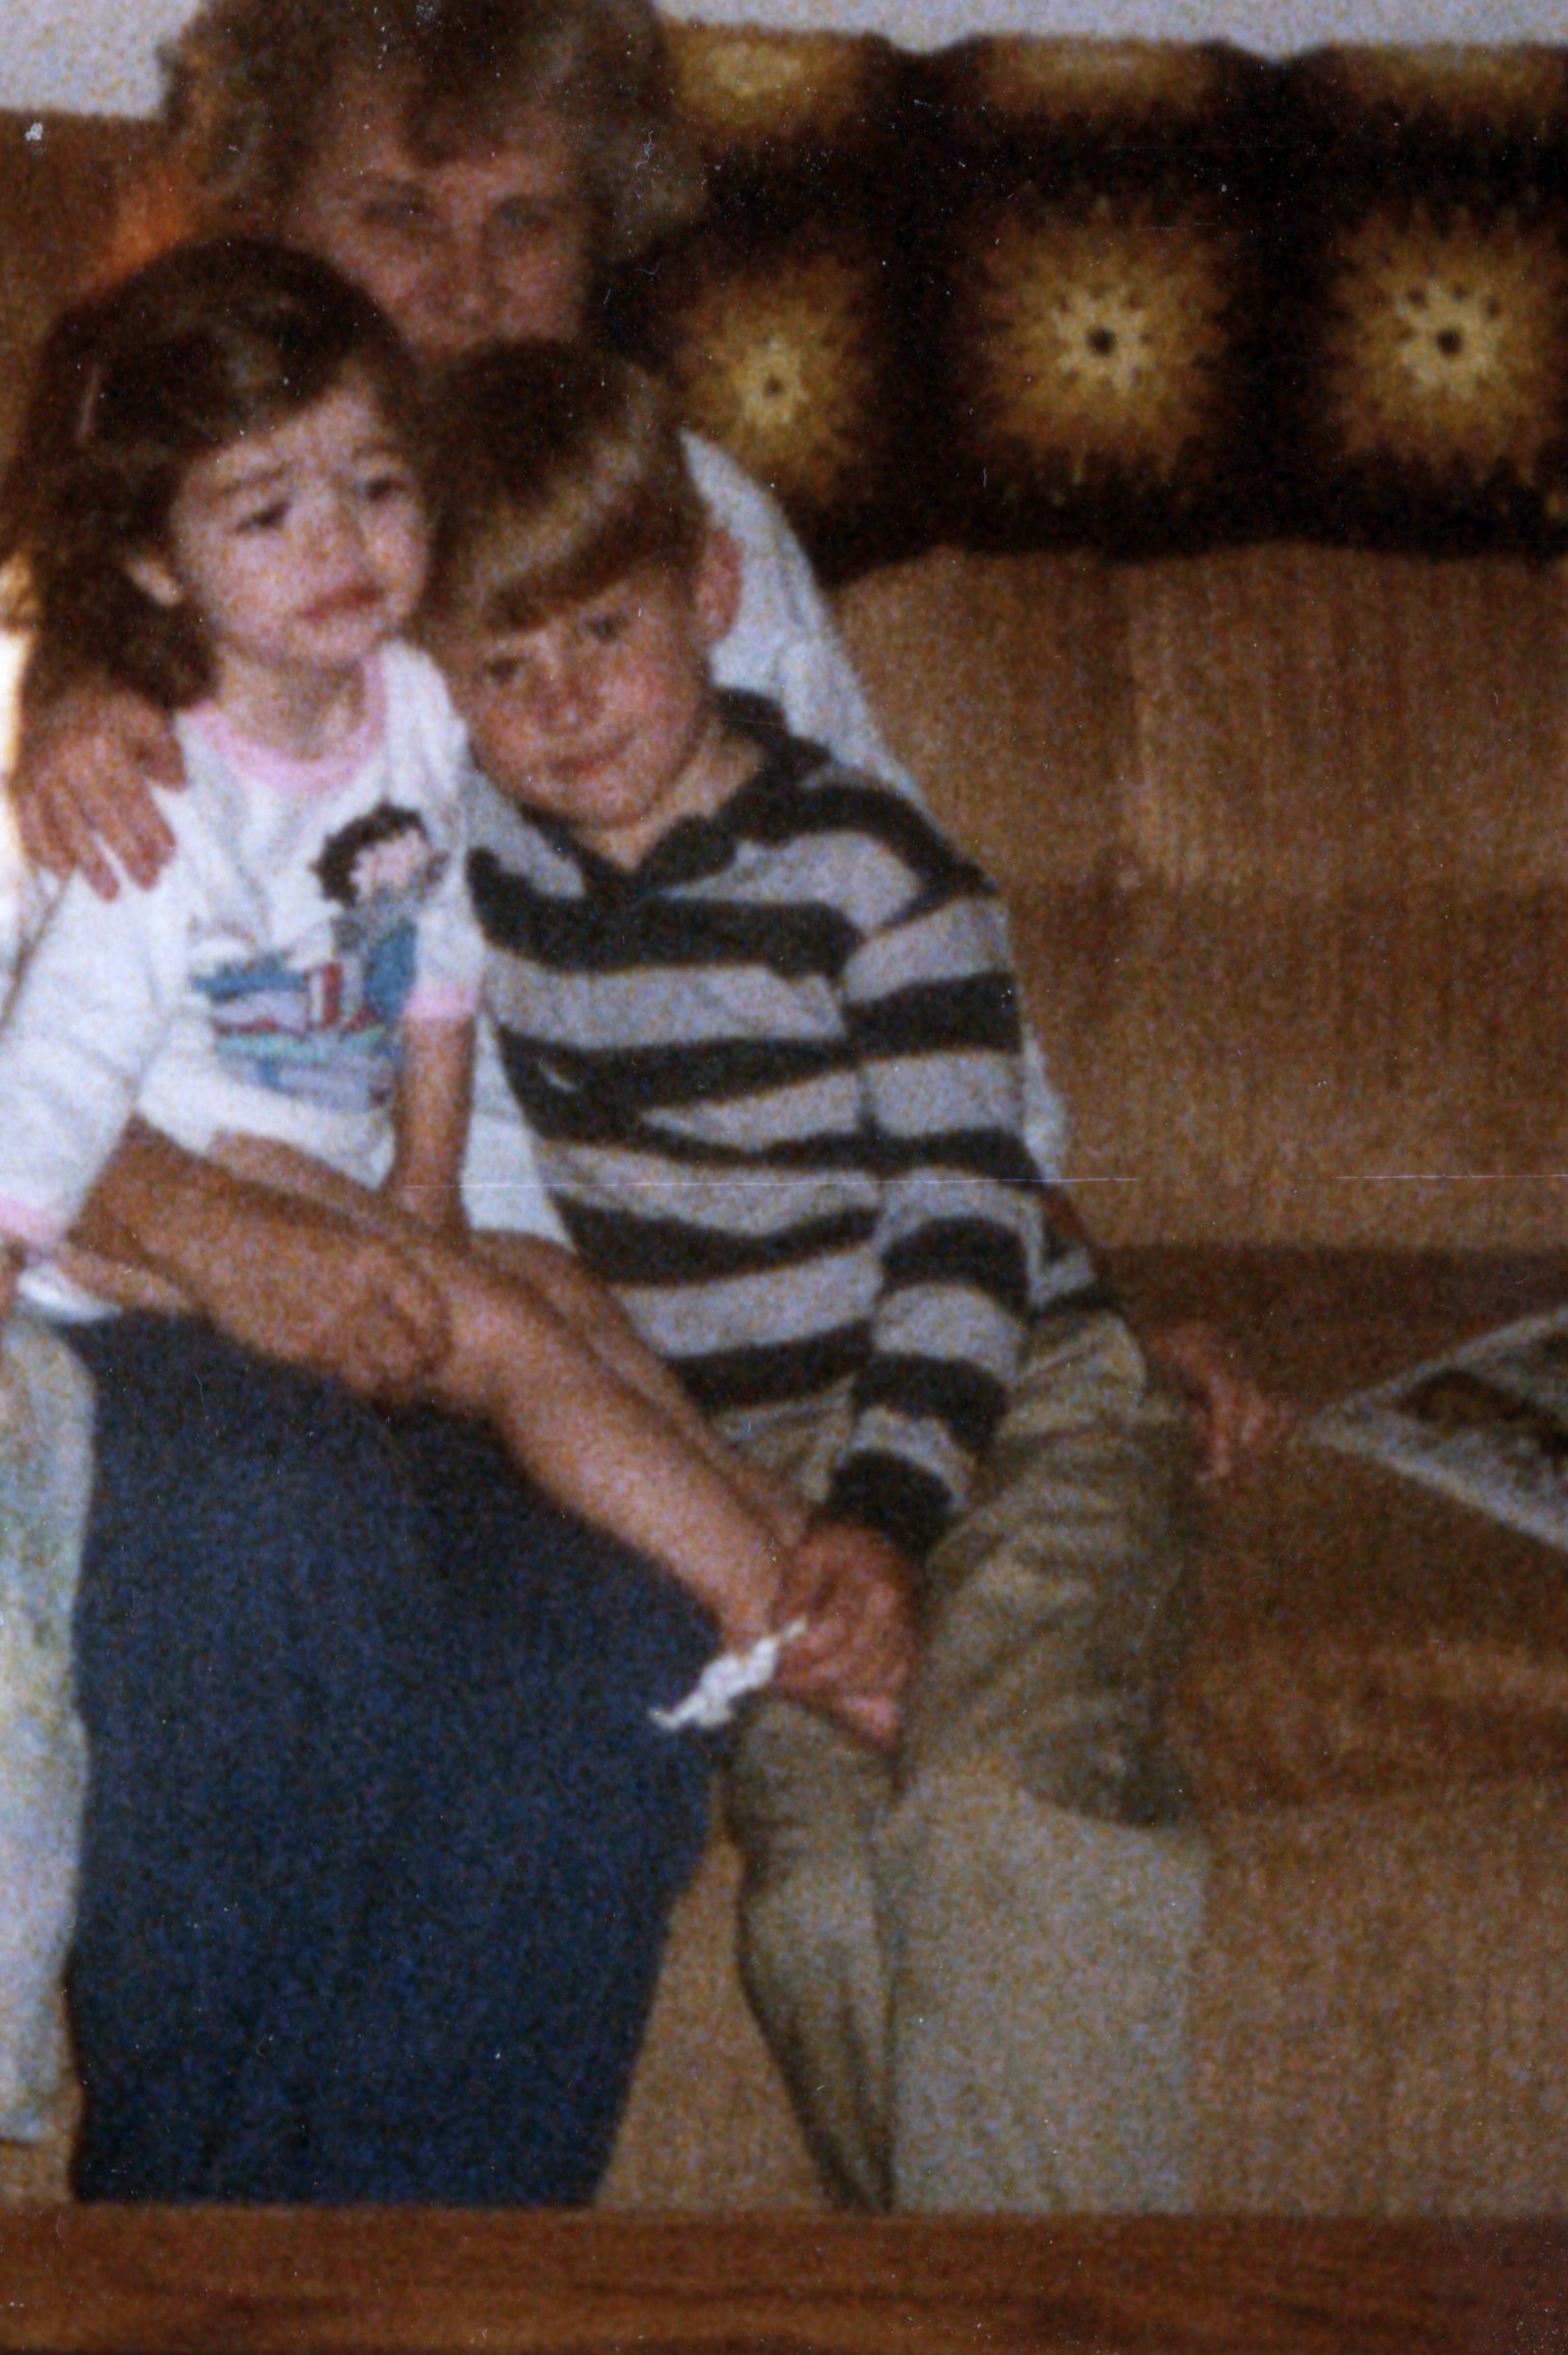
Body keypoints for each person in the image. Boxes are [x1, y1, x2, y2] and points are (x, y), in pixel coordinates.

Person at [0, 0, 1274, 2206]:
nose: (466, 281)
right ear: (271, 232)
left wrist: (1053, 1275)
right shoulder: (164, 558)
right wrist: (186, 1222)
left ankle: (426, 2298)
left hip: (577, 1323)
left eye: (526, 219)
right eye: (395, 213)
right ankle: (191, 2271)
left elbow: (882, 938)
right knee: (271, 1535)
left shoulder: (677, 531)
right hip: (189, 1277)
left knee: (606, 1658)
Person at [418, 335, 1208, 2213]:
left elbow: (968, 1217)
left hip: (1010, 1408)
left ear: (713, 588)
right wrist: (99, 720)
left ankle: (1077, 2326)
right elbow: (253, 771)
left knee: (1001, 1819)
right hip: (763, 1468)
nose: (565, 705)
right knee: (824, 1907)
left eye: (604, 631)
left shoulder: (875, 874)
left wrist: (882, 1510)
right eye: (503, 669)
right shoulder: (470, 874)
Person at [0, 235, 836, 1728]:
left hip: (339, 1168)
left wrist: (427, 1190)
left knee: (556, 1294)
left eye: (377, 490)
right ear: (157, 561)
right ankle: (789, 1635)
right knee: (509, 1346)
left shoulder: (417, 701)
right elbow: (53, 1056)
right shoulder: (153, 781)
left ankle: (788, 1535)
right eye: (269, 514)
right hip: (175, 1172)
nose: (340, 545)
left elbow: (433, 942)